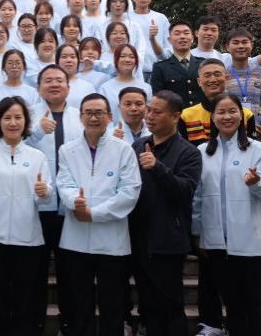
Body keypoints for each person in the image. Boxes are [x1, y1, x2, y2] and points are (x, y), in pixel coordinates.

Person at [56, 93, 141, 336]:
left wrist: (94, 213)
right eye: (88, 113)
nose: (93, 118)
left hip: (111, 240)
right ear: (80, 116)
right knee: (79, 301)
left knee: (112, 302)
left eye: (99, 113)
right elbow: (64, 183)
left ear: (109, 116)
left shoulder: (123, 150)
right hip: (76, 237)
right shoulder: (67, 150)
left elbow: (130, 191)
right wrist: (75, 202)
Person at [0, 96, 53, 336]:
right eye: (7, 118)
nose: (13, 123)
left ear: (26, 122)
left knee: (25, 295)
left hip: (27, 237)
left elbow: (47, 195)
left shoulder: (37, 157)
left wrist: (44, 192)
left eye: (18, 117)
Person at [192, 93, 261, 336]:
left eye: (232, 111)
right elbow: (197, 197)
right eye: (221, 112)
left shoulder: (256, 149)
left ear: (242, 115)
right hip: (216, 243)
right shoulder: (202, 151)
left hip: (249, 242)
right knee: (233, 305)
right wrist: (197, 232)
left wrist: (256, 182)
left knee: (254, 305)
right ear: (212, 117)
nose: (227, 116)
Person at [129, 91, 202, 336]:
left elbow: (185, 192)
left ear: (176, 116)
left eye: (157, 112)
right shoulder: (138, 145)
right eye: (149, 110)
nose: (149, 116)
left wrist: (158, 167)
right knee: (147, 304)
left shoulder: (188, 152)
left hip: (168, 240)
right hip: (138, 237)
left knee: (170, 305)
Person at [26, 64, 83, 335]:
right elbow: (15, 147)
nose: (54, 84)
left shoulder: (79, 117)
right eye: (48, 80)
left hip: (71, 205)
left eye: (59, 80)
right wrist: (37, 131)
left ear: (69, 87)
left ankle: (69, 323)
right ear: (38, 88)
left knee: (71, 271)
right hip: (38, 206)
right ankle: (34, 323)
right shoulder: (27, 116)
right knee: (34, 270)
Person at [223, 27, 261, 228]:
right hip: (232, 144)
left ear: (252, 45)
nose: (241, 46)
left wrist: (257, 126)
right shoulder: (222, 75)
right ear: (226, 47)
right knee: (235, 191)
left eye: (245, 42)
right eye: (235, 42)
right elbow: (219, 108)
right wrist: (240, 129)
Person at [150, 20, 205, 108]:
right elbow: (158, 99)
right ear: (169, 40)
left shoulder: (203, 64)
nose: (182, 36)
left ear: (192, 38)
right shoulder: (160, 68)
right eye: (177, 33)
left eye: (186, 33)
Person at [98, 44, 152, 117]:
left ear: (136, 62)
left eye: (131, 57)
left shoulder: (146, 87)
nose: (127, 60)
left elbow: (148, 114)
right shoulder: (105, 88)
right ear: (116, 60)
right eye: (122, 56)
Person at [56, 44, 96, 109]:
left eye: (73, 57)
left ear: (78, 61)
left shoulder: (88, 87)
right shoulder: (51, 86)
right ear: (57, 61)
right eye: (64, 57)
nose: (69, 60)